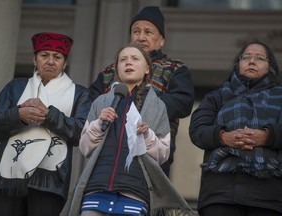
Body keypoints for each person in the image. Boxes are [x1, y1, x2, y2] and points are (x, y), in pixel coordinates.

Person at [61, 44, 196, 216]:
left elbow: (163, 154)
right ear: (117, 68)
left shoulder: (157, 106)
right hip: (97, 187)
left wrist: (147, 135)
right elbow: (85, 148)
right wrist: (98, 124)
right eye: (123, 60)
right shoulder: (101, 102)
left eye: (135, 59)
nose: (128, 63)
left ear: (147, 68)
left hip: (135, 191)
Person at [89, 6, 195, 177]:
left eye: (148, 32)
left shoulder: (175, 68)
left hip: (152, 153)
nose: (141, 37)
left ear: (161, 40)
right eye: (136, 31)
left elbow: (182, 103)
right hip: (108, 152)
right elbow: (91, 104)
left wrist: (137, 104)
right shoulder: (110, 71)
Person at [0, 32, 91, 216]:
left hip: (49, 182)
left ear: (65, 63)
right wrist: (18, 115)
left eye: (57, 56)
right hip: (7, 180)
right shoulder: (16, 87)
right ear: (34, 59)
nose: (51, 61)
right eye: (44, 55)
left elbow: (81, 132)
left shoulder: (80, 94)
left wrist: (48, 115)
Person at [189, 41, 282, 216]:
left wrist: (267, 136)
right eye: (246, 57)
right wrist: (223, 137)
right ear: (238, 64)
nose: (252, 61)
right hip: (220, 192)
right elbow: (197, 130)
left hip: (268, 194)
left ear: (271, 67)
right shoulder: (216, 97)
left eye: (260, 58)